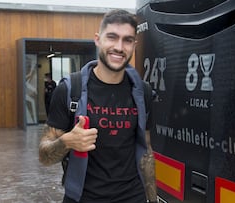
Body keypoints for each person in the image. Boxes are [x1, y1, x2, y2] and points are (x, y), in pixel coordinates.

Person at [38, 9, 156, 203]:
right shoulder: (69, 89)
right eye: (112, 37)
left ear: (134, 45)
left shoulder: (143, 92)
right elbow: (44, 156)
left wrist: (153, 198)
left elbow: (147, 152)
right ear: (98, 39)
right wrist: (67, 141)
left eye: (127, 40)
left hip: (133, 196)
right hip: (83, 197)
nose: (119, 47)